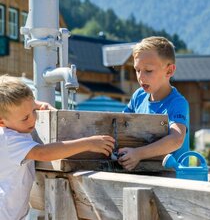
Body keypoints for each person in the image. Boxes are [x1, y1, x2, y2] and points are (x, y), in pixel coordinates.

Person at [0, 75, 115, 220]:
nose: (33, 119)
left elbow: (29, 105)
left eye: (33, 111)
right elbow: (43, 153)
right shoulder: (9, 140)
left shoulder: (13, 123)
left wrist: (43, 106)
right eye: (25, 118)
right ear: (2, 122)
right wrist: (88, 143)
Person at [118, 36, 189, 171]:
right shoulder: (138, 96)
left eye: (148, 70)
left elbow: (176, 139)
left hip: (174, 178)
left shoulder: (178, 103)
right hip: (144, 174)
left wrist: (138, 154)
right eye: (137, 70)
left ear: (169, 71)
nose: (140, 77)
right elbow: (121, 124)